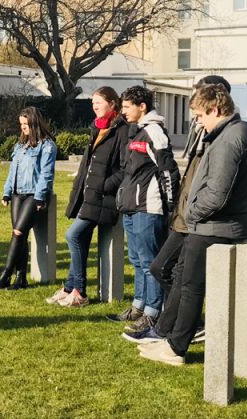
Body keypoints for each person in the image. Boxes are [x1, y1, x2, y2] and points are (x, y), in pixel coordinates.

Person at [138, 84, 247, 366]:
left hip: (213, 227)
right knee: (183, 281)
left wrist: (191, 213)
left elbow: (217, 194)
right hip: (213, 225)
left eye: (200, 116)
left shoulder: (230, 138)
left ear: (215, 110)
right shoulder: (232, 133)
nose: (198, 122)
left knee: (191, 288)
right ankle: (171, 341)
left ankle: (177, 348)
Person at [126, 76, 232, 345]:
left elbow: (172, 172)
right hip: (185, 216)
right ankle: (174, 323)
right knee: (161, 267)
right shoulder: (205, 132)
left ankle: (175, 324)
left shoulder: (226, 136)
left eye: (198, 110)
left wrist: (177, 207)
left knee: (172, 272)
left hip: (193, 218)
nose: (195, 116)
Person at [47, 87, 129, 307]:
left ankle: (80, 291)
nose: (94, 107)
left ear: (113, 104)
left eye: (99, 103)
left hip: (102, 198)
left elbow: (124, 168)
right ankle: (69, 288)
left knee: (72, 236)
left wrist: (104, 185)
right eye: (93, 103)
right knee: (79, 238)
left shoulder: (122, 130)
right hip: (88, 195)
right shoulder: (98, 127)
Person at [111, 86, 180, 332]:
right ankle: (138, 306)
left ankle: (152, 313)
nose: (123, 111)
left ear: (142, 107)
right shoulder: (135, 132)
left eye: (127, 106)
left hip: (149, 208)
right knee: (136, 259)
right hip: (131, 206)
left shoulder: (154, 132)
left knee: (150, 261)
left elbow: (168, 171)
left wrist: (171, 206)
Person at [0, 107, 57, 290]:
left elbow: (46, 174)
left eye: (26, 124)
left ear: (35, 124)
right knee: (19, 234)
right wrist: (6, 192)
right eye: (21, 125)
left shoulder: (47, 146)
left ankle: (6, 274)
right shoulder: (19, 146)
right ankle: (21, 277)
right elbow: (12, 171)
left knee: (18, 232)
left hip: (33, 195)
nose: (23, 128)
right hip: (17, 194)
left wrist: (39, 197)